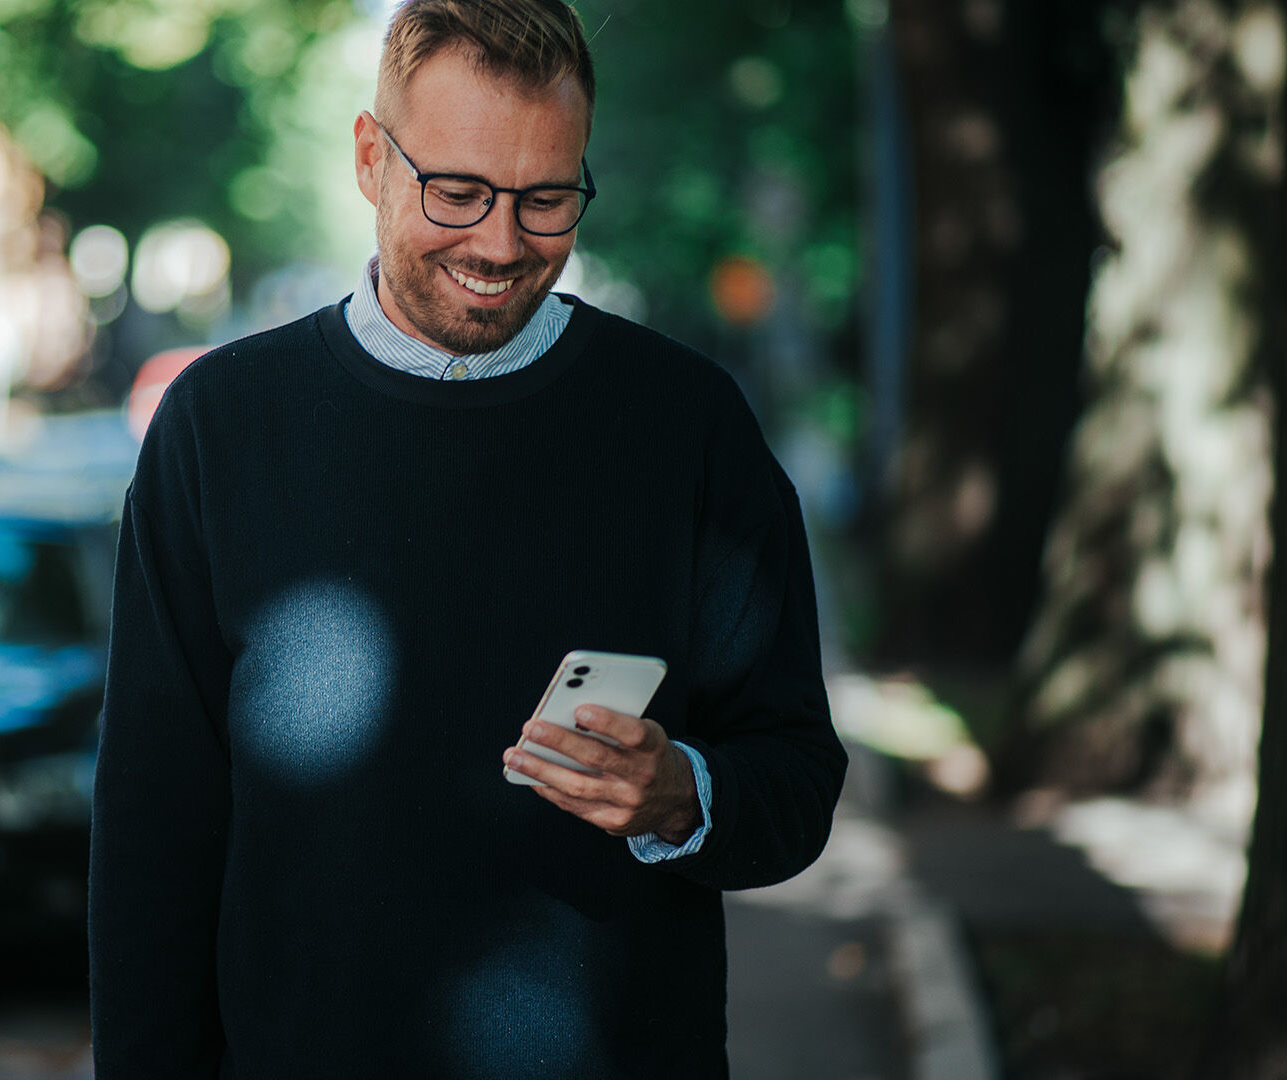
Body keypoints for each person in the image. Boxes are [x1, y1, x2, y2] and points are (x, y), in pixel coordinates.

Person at [88, 1, 847, 1075]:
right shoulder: (218, 428)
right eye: (458, 192)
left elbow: (799, 773)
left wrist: (683, 792)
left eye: (546, 200)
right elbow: (152, 838)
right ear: (370, 158)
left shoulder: (689, 426)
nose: (500, 244)